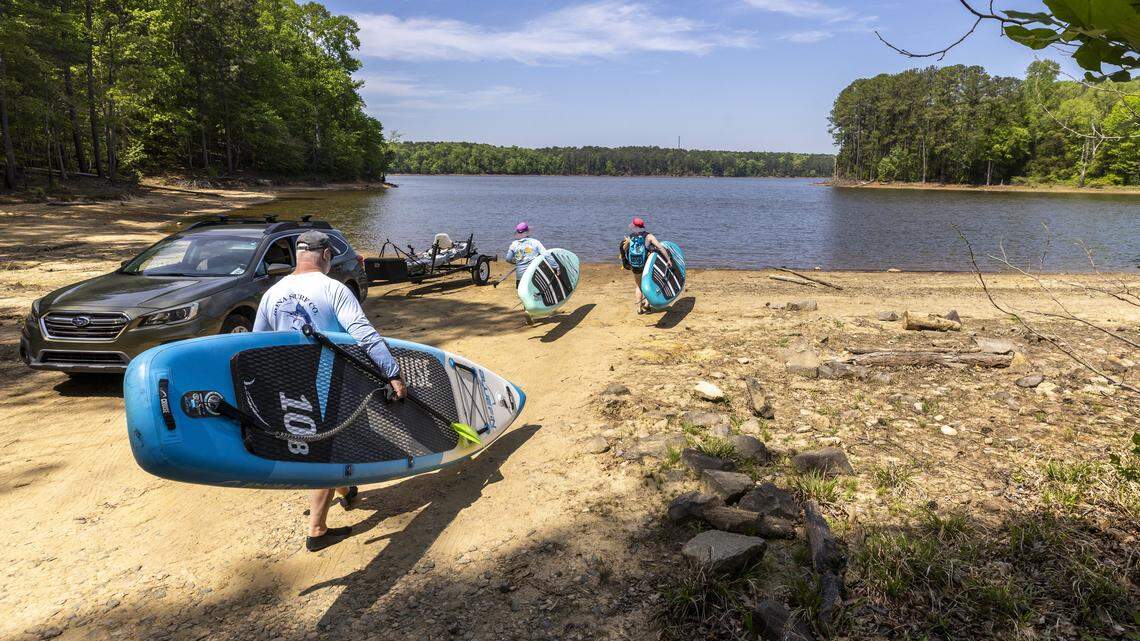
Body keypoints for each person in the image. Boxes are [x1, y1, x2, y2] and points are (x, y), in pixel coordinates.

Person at [253, 230, 407, 552]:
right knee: (326, 449)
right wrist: (391, 372)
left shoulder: (272, 293)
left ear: (298, 255)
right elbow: (363, 334)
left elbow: (255, 346)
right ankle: (317, 530)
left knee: (319, 443)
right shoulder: (333, 289)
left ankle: (346, 488)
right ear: (325, 256)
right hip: (328, 382)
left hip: (286, 383)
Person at [504, 222, 559, 324]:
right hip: (533, 273)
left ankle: (527, 311)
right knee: (541, 290)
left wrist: (517, 263)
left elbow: (508, 258)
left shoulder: (514, 244)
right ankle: (539, 310)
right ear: (527, 232)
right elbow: (546, 255)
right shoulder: (535, 242)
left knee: (524, 293)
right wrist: (555, 267)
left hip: (520, 275)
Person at [620, 216, 671, 314]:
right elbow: (660, 247)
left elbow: (625, 250)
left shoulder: (631, 237)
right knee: (649, 283)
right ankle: (647, 304)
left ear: (634, 226)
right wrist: (668, 259)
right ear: (642, 226)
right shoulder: (649, 236)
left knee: (639, 286)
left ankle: (639, 308)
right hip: (647, 265)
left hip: (635, 265)